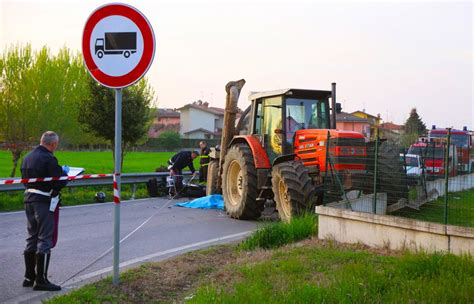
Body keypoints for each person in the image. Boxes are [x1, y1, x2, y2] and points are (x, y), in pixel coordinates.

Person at [20, 131, 68, 291]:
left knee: (31, 237)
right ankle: (41, 280)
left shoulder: (27, 157)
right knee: (45, 239)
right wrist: (65, 174)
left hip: (28, 200)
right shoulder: (49, 158)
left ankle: (29, 277)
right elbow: (59, 181)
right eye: (56, 144)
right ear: (53, 144)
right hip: (43, 202)